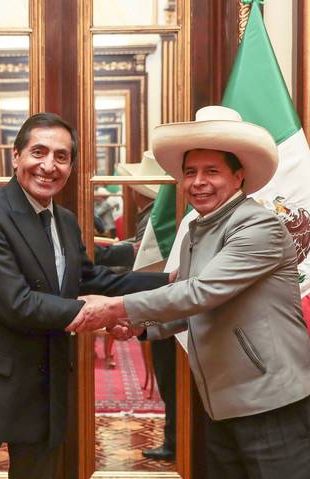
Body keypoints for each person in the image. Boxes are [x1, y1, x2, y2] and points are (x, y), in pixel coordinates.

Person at [68, 106, 310, 478]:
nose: (198, 182)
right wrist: (143, 328)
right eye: (190, 172)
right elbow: (194, 306)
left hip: (273, 404)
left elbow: (201, 292)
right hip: (223, 404)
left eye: (212, 171)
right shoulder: (196, 231)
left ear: (239, 176)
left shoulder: (258, 225)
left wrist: (114, 306)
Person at [0, 112, 168, 479]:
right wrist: (96, 312)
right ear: (16, 157)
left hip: (45, 387)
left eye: (61, 156)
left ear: (71, 165)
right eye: (38, 152)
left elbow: (90, 277)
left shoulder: (66, 220)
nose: (48, 166)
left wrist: (172, 283)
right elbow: (17, 303)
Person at [117, 152, 176, 461]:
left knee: (170, 377)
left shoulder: (157, 217)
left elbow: (145, 262)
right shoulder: (157, 213)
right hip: (162, 308)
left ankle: (174, 440)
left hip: (163, 309)